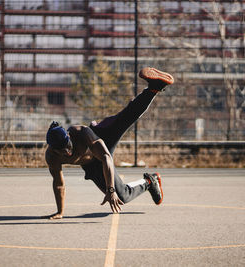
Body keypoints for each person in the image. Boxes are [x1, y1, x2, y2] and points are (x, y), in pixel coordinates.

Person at [45, 67, 174, 219]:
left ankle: (154, 87)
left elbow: (106, 156)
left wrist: (110, 189)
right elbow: (59, 184)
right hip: (92, 166)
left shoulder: (82, 133)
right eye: (61, 151)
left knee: (126, 117)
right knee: (123, 197)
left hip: (101, 139)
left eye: (68, 146)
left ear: (69, 136)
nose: (67, 152)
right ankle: (149, 182)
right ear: (53, 150)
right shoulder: (52, 157)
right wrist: (60, 212)